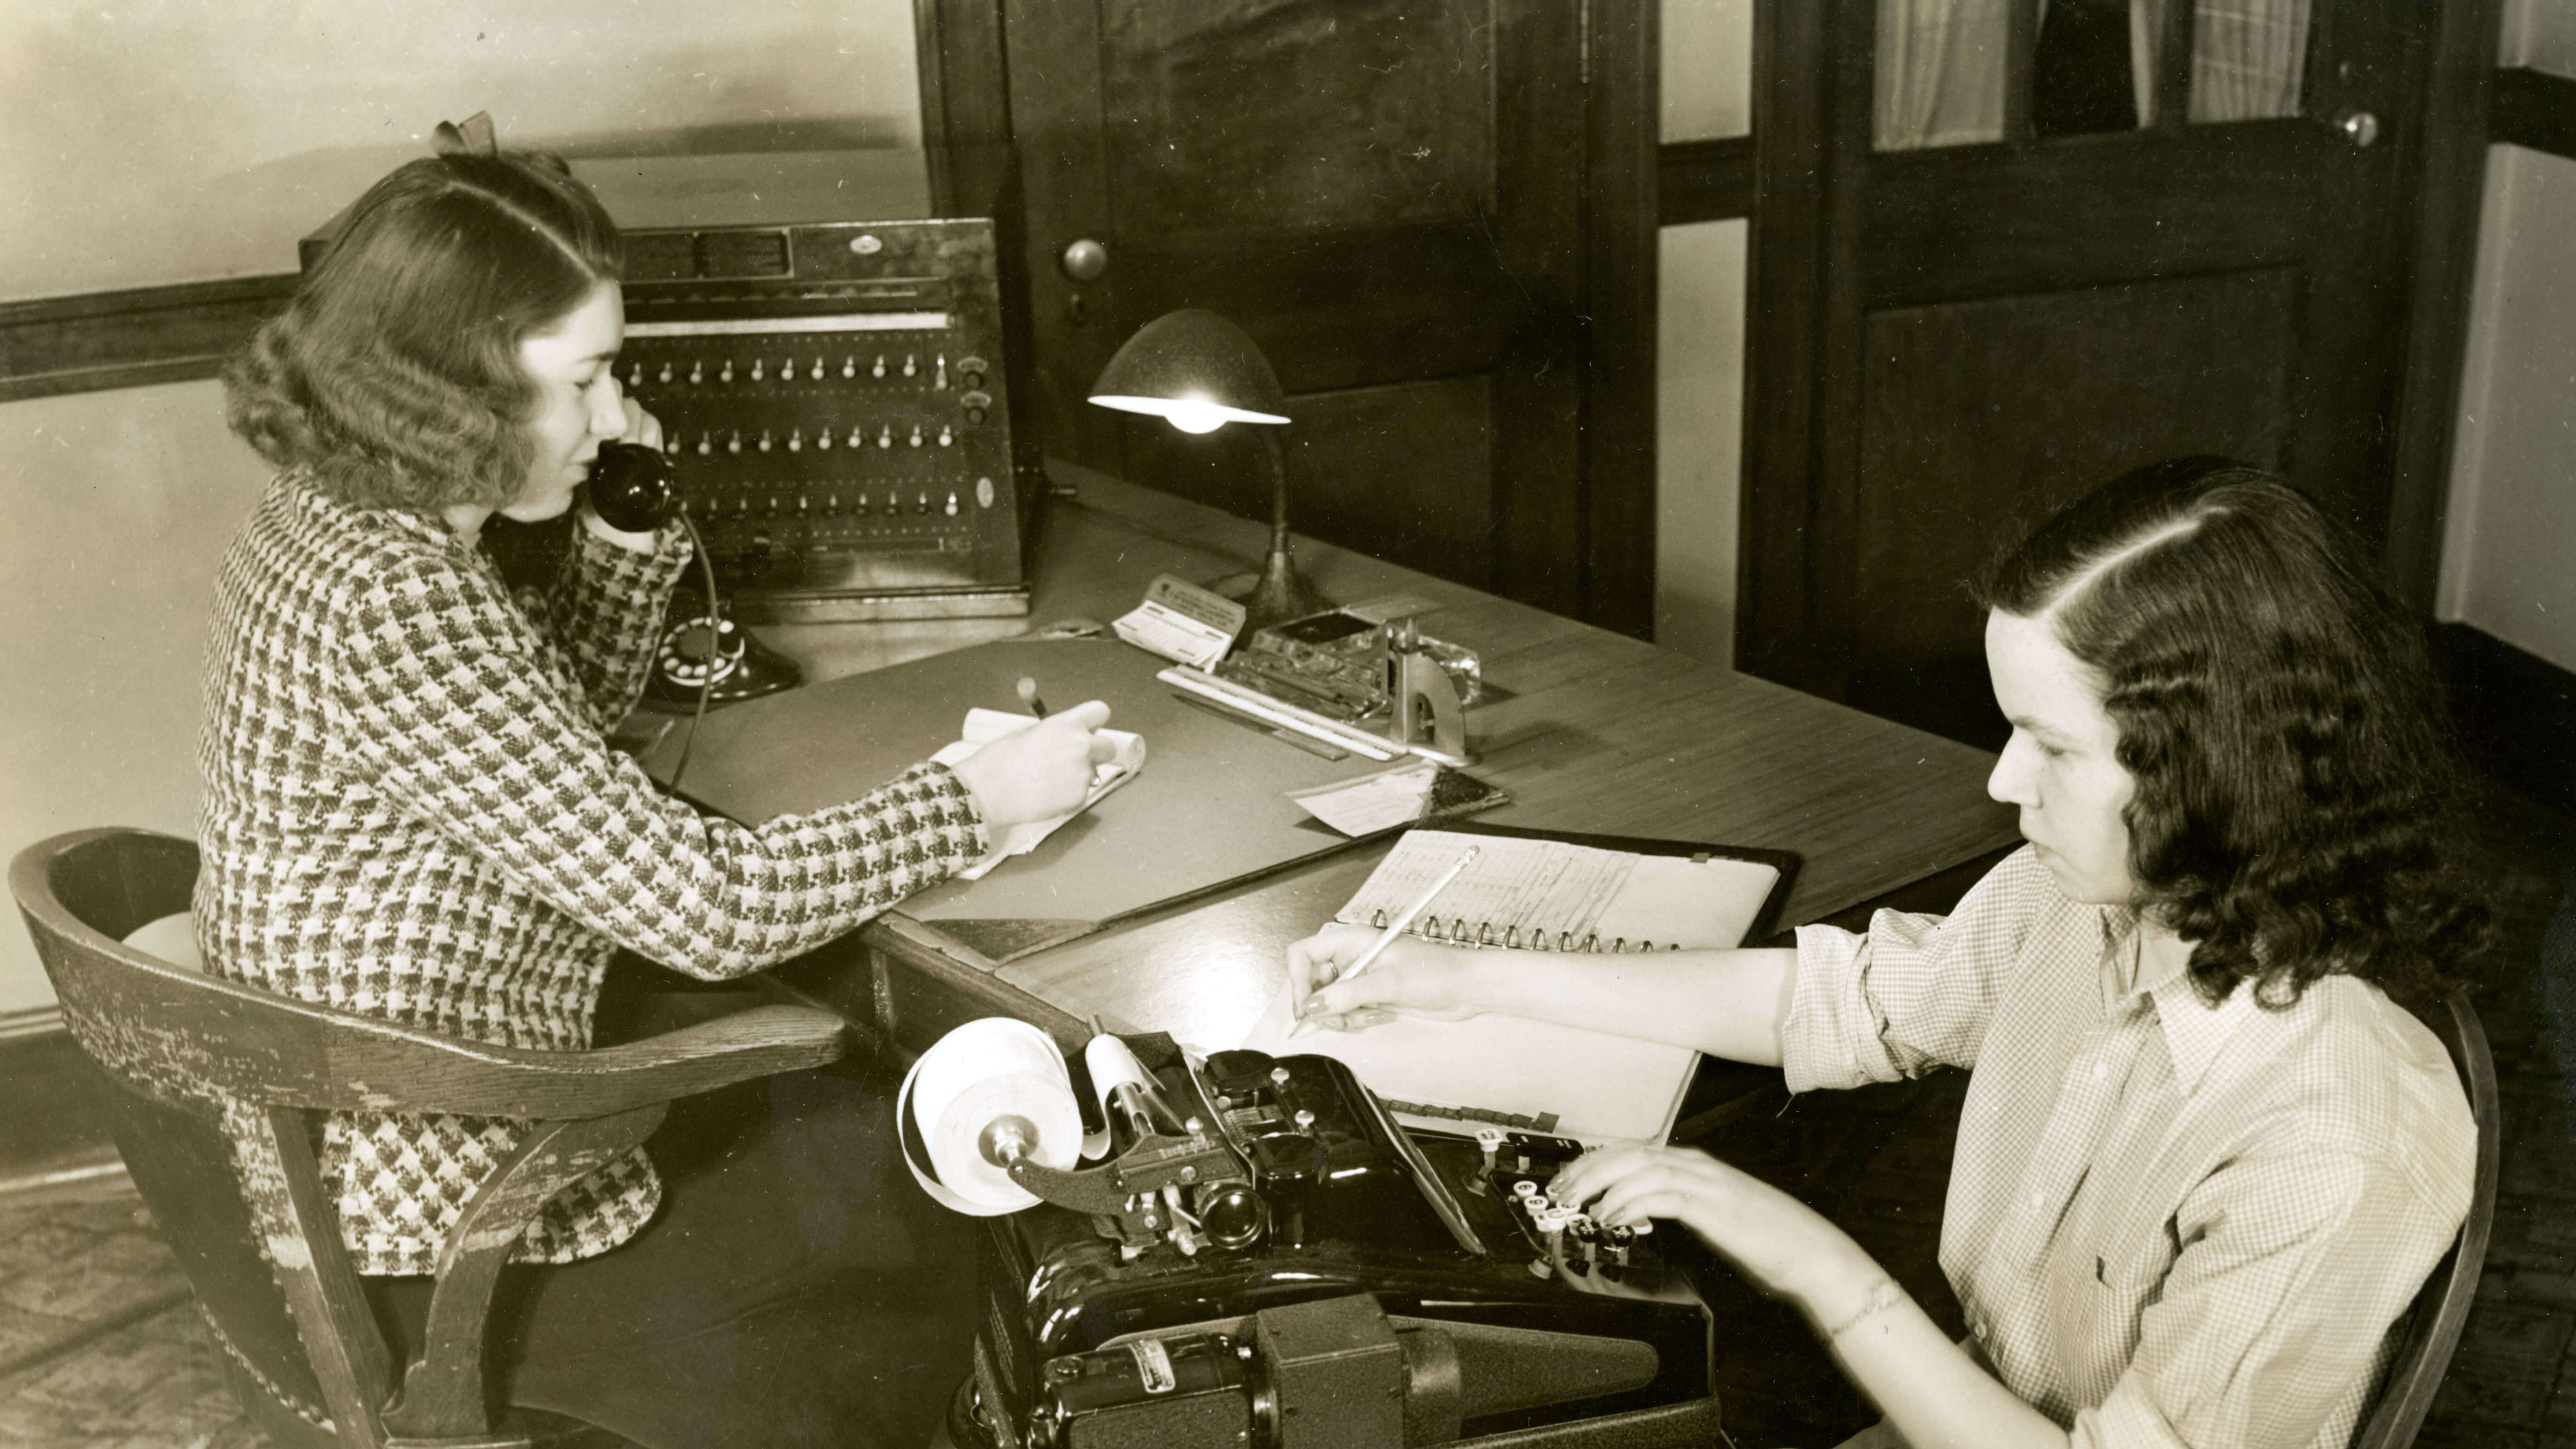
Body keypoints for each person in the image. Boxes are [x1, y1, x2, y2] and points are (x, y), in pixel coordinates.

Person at [200, 142, 1113, 1447]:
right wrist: (975, 798)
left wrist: (620, 531)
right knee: (940, 1159)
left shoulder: (335, 520)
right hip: (462, 1220)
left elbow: (528, 729)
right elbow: (705, 907)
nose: (616, 415)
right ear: (454, 396)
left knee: (845, 1086)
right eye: (585, 380)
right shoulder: (400, 604)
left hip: (370, 1141)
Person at [1289, 458, 2489, 1449]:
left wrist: (1815, 1258)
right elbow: (1843, 1002)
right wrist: (1462, 973)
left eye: (2049, 746)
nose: (2002, 781)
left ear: (2220, 766)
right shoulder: (2078, 899)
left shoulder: (2334, 1136)